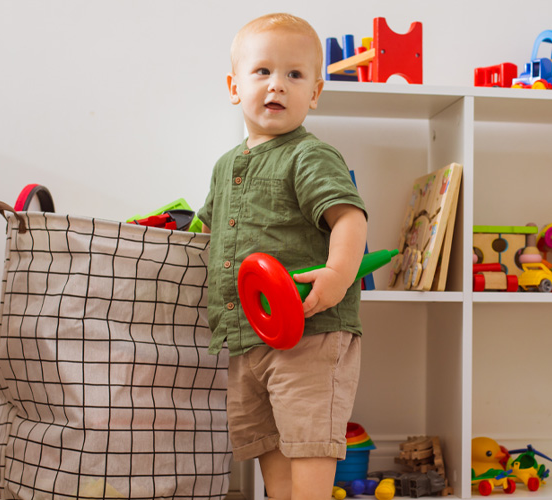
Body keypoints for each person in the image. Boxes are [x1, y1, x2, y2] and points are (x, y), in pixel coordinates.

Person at [196, 12, 368, 500]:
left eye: (294, 75)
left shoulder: (309, 156)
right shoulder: (226, 165)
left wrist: (337, 274)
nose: (277, 85)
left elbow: (350, 219)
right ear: (235, 86)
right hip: (247, 333)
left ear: (314, 93)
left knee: (309, 437)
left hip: (309, 329)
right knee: (267, 438)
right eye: (263, 72)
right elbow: (209, 230)